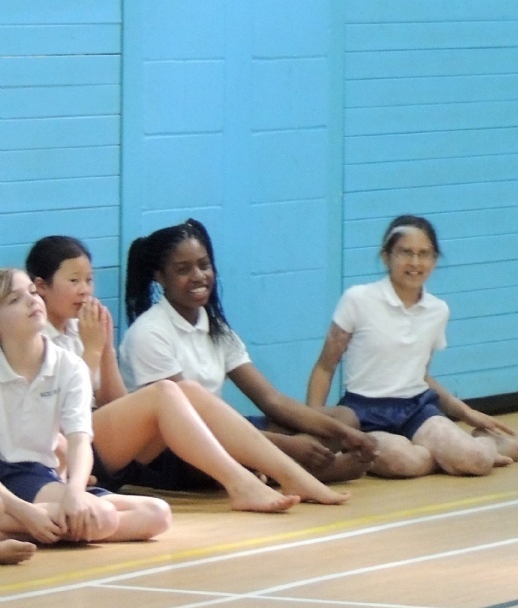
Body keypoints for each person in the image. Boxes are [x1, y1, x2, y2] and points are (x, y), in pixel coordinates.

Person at [27, 235, 347, 508]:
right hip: (67, 449)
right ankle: (241, 484)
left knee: (188, 390)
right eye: (73, 281)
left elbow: (115, 404)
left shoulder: (81, 330)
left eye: (89, 280)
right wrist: (93, 352)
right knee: (166, 391)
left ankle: (291, 475)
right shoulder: (34, 338)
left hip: (108, 445)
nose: (85, 290)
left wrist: (106, 350)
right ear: (41, 287)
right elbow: (58, 413)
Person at [119, 219, 377, 486]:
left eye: (204, 265)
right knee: (221, 450)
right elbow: (187, 422)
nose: (198, 276)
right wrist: (289, 446)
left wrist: (344, 434)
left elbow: (272, 400)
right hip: (178, 446)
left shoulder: (216, 329)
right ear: (160, 277)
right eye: (183, 269)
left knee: (344, 418)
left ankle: (272, 472)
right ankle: (291, 472)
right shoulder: (149, 333)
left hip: (222, 429)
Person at [306, 215, 518, 478]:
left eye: (424, 254)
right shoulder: (357, 299)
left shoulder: (438, 310)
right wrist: (314, 428)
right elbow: (325, 367)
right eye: (405, 253)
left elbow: (420, 376)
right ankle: (451, 455)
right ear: (386, 257)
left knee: (477, 461)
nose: (415, 263)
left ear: (435, 260)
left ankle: (481, 446)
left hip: (416, 409)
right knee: (405, 463)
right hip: (364, 413)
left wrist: (467, 414)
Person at [0, 268, 171, 545]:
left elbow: (79, 441)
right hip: (7, 477)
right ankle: (24, 523)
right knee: (103, 517)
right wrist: (25, 512)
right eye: (14, 300)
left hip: (39, 474)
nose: (32, 301)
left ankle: (15, 529)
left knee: (156, 514)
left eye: (32, 292)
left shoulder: (69, 366)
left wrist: (76, 492)